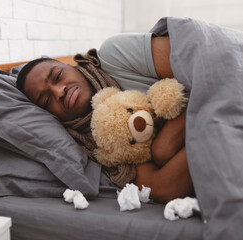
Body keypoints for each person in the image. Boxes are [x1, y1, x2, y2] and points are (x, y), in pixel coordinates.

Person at [16, 33, 194, 204]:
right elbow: (165, 187)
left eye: (58, 76)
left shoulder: (113, 54)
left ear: (73, 66)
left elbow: (196, 58)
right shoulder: (96, 143)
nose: (58, 92)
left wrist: (167, 139)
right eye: (46, 100)